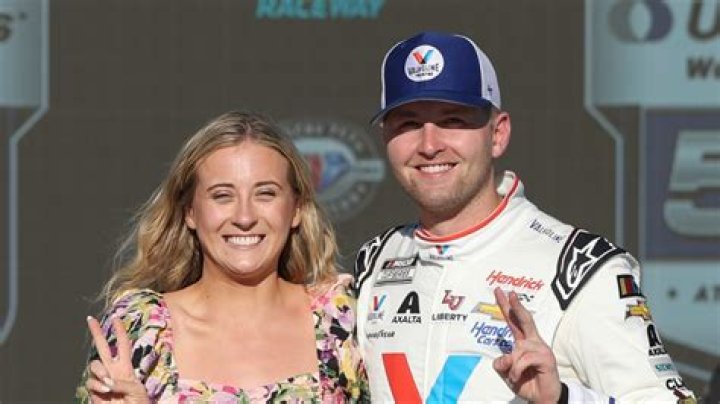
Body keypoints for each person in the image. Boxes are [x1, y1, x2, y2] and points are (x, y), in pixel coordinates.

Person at [353, 31, 696, 403]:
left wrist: (562, 399)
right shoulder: (376, 260)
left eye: (453, 120)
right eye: (408, 124)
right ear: (386, 138)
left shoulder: (580, 269)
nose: (429, 145)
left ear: (498, 134)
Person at [76, 111, 369, 402]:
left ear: (296, 209)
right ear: (190, 212)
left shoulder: (341, 320)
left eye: (265, 194)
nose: (244, 217)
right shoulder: (139, 328)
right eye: (222, 196)